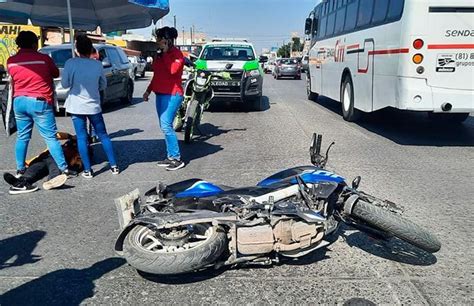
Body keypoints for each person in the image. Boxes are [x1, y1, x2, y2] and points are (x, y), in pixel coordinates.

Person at [6, 31, 76, 186]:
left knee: (23, 137)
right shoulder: (44, 59)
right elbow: (55, 73)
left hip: (19, 102)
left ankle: (20, 169)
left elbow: (12, 76)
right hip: (39, 102)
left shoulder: (11, 61)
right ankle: (64, 169)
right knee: (50, 137)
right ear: (33, 44)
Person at [61, 34, 119, 178]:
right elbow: (103, 84)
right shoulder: (97, 64)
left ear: (76, 49)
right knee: (103, 135)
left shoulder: (70, 63)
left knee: (81, 137)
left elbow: (65, 84)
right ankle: (114, 166)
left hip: (76, 106)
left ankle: (88, 170)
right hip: (93, 106)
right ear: (90, 49)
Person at [143, 26, 185, 171]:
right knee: (163, 126)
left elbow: (173, 71)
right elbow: (157, 75)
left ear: (167, 40)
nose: (157, 41)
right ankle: (170, 156)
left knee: (166, 125)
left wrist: (166, 52)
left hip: (173, 94)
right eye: (157, 39)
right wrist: (148, 90)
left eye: (160, 39)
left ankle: (177, 158)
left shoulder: (177, 54)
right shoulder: (160, 55)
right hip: (160, 94)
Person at [3, 132, 83, 195]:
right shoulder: (62, 144)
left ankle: (53, 180)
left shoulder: (81, 151)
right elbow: (56, 135)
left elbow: (79, 164)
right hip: (44, 158)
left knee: (54, 166)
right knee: (34, 169)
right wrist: (69, 136)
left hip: (56, 160)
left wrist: (73, 168)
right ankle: (20, 182)